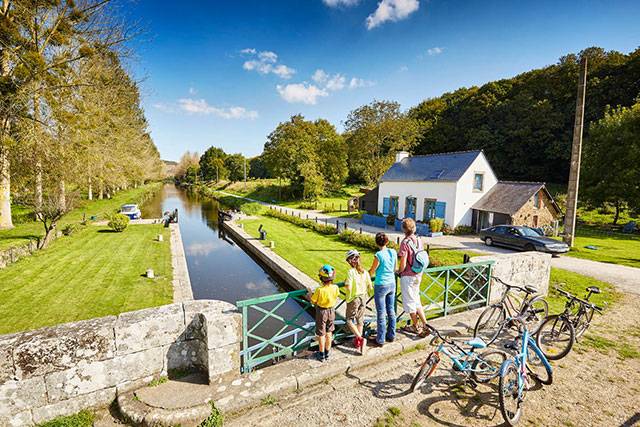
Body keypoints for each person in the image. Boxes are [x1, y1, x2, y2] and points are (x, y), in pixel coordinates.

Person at [398, 218, 430, 337]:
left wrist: (399, 271)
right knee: (416, 300)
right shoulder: (418, 240)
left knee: (410, 302)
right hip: (418, 273)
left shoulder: (405, 242)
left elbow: (403, 262)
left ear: (403, 229)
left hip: (408, 276)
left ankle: (415, 327)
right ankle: (426, 325)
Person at [368, 232, 397, 347]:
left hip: (381, 285)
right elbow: (395, 268)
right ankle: (391, 335)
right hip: (392, 283)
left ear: (376, 242)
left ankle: (380, 339)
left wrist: (365, 276)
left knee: (381, 312)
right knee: (391, 310)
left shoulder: (378, 255)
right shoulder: (393, 252)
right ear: (387, 241)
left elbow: (372, 271)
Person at [344, 249, 373, 355]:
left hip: (354, 298)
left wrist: (346, 284)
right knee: (359, 320)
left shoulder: (350, 272)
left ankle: (360, 338)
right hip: (363, 297)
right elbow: (370, 286)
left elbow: (348, 286)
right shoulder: (364, 272)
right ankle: (358, 343)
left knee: (349, 320)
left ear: (350, 261)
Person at [310, 264, 340, 361]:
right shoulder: (335, 287)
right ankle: (327, 352)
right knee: (329, 332)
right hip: (331, 310)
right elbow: (336, 296)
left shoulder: (319, 290)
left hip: (322, 312)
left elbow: (313, 301)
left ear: (321, 278)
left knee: (321, 333)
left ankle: (321, 354)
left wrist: (310, 293)